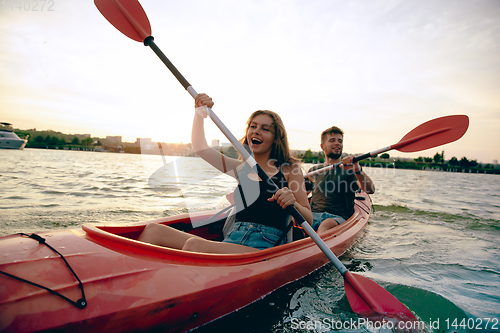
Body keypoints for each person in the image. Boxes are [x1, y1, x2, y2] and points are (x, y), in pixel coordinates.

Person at [138, 93, 312, 253]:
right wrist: (199, 113)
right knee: (153, 230)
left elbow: (309, 220)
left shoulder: (290, 169)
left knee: (194, 245)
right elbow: (200, 147)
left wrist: (293, 203)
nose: (257, 131)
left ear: (276, 138)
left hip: (265, 246)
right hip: (233, 239)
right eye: (253, 126)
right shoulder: (241, 168)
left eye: (265, 129)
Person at [308, 126, 375, 233]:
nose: (337, 143)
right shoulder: (314, 170)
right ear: (322, 146)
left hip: (337, 218)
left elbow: (370, 190)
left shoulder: (350, 169)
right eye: (332, 140)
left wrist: (357, 171)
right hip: (313, 216)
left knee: (327, 224)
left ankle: (316, 247)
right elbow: (301, 194)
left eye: (340, 141)